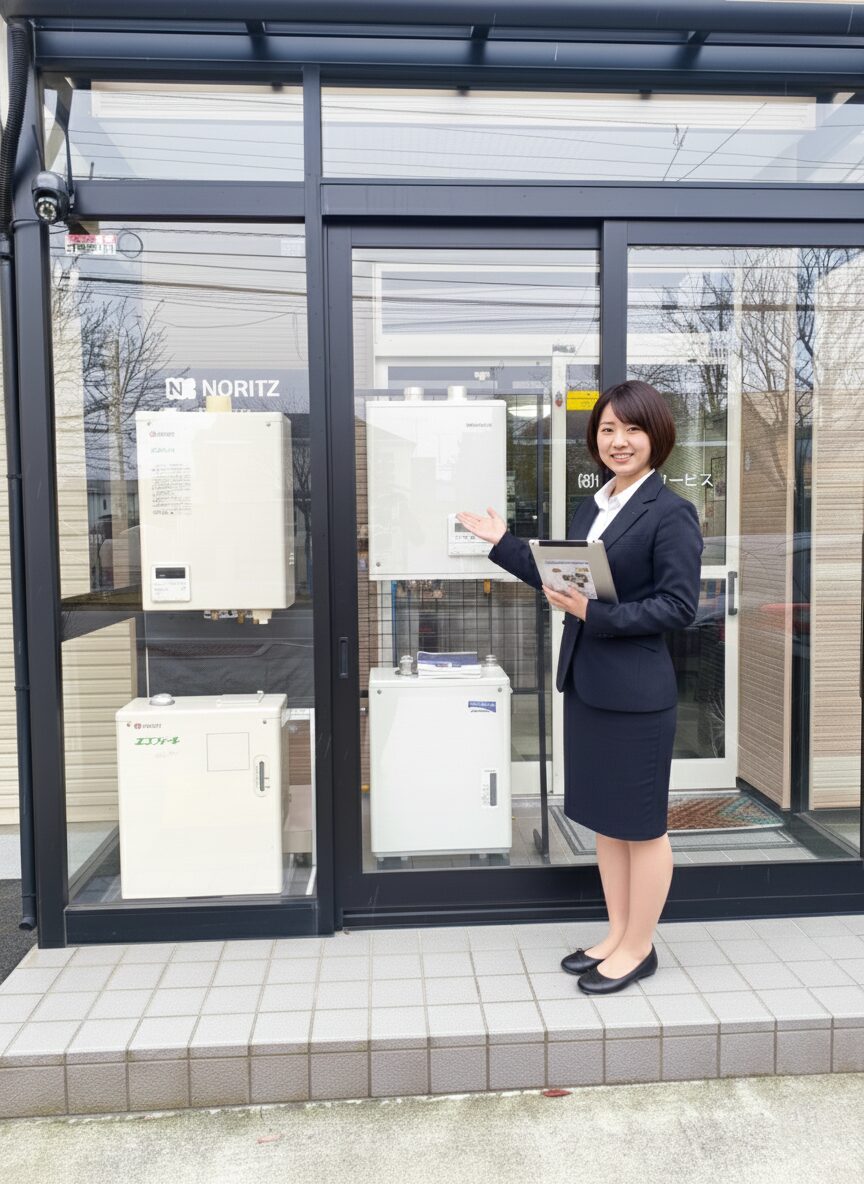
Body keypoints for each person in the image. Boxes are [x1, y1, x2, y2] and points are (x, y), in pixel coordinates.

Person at [457, 380, 703, 995]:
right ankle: (617, 934)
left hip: (638, 695)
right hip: (590, 686)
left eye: (632, 429)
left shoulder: (670, 512)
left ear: (656, 437)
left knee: (642, 826)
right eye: (608, 429)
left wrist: (596, 614)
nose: (619, 441)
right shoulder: (592, 508)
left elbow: (679, 607)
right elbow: (562, 577)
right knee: (608, 822)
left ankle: (640, 948)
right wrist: (504, 544)